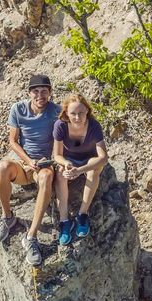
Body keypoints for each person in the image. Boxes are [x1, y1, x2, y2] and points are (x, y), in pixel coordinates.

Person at [0, 74, 61, 265]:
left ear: (50, 93)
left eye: (44, 91)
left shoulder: (56, 111)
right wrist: (28, 161)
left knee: (46, 178)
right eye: (36, 91)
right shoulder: (18, 109)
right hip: (24, 163)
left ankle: (31, 237)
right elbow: (12, 141)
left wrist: (49, 161)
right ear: (30, 93)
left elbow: (62, 139)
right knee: (3, 167)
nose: (40, 95)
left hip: (45, 164)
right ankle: (8, 216)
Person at [51, 94, 108, 245]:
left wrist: (80, 169)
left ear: (87, 112)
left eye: (81, 113)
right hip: (70, 160)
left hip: (88, 161)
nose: (77, 117)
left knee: (95, 168)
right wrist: (66, 164)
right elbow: (56, 155)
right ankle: (64, 220)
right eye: (73, 113)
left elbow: (103, 157)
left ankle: (82, 214)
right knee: (61, 173)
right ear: (66, 114)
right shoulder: (60, 125)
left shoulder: (94, 126)